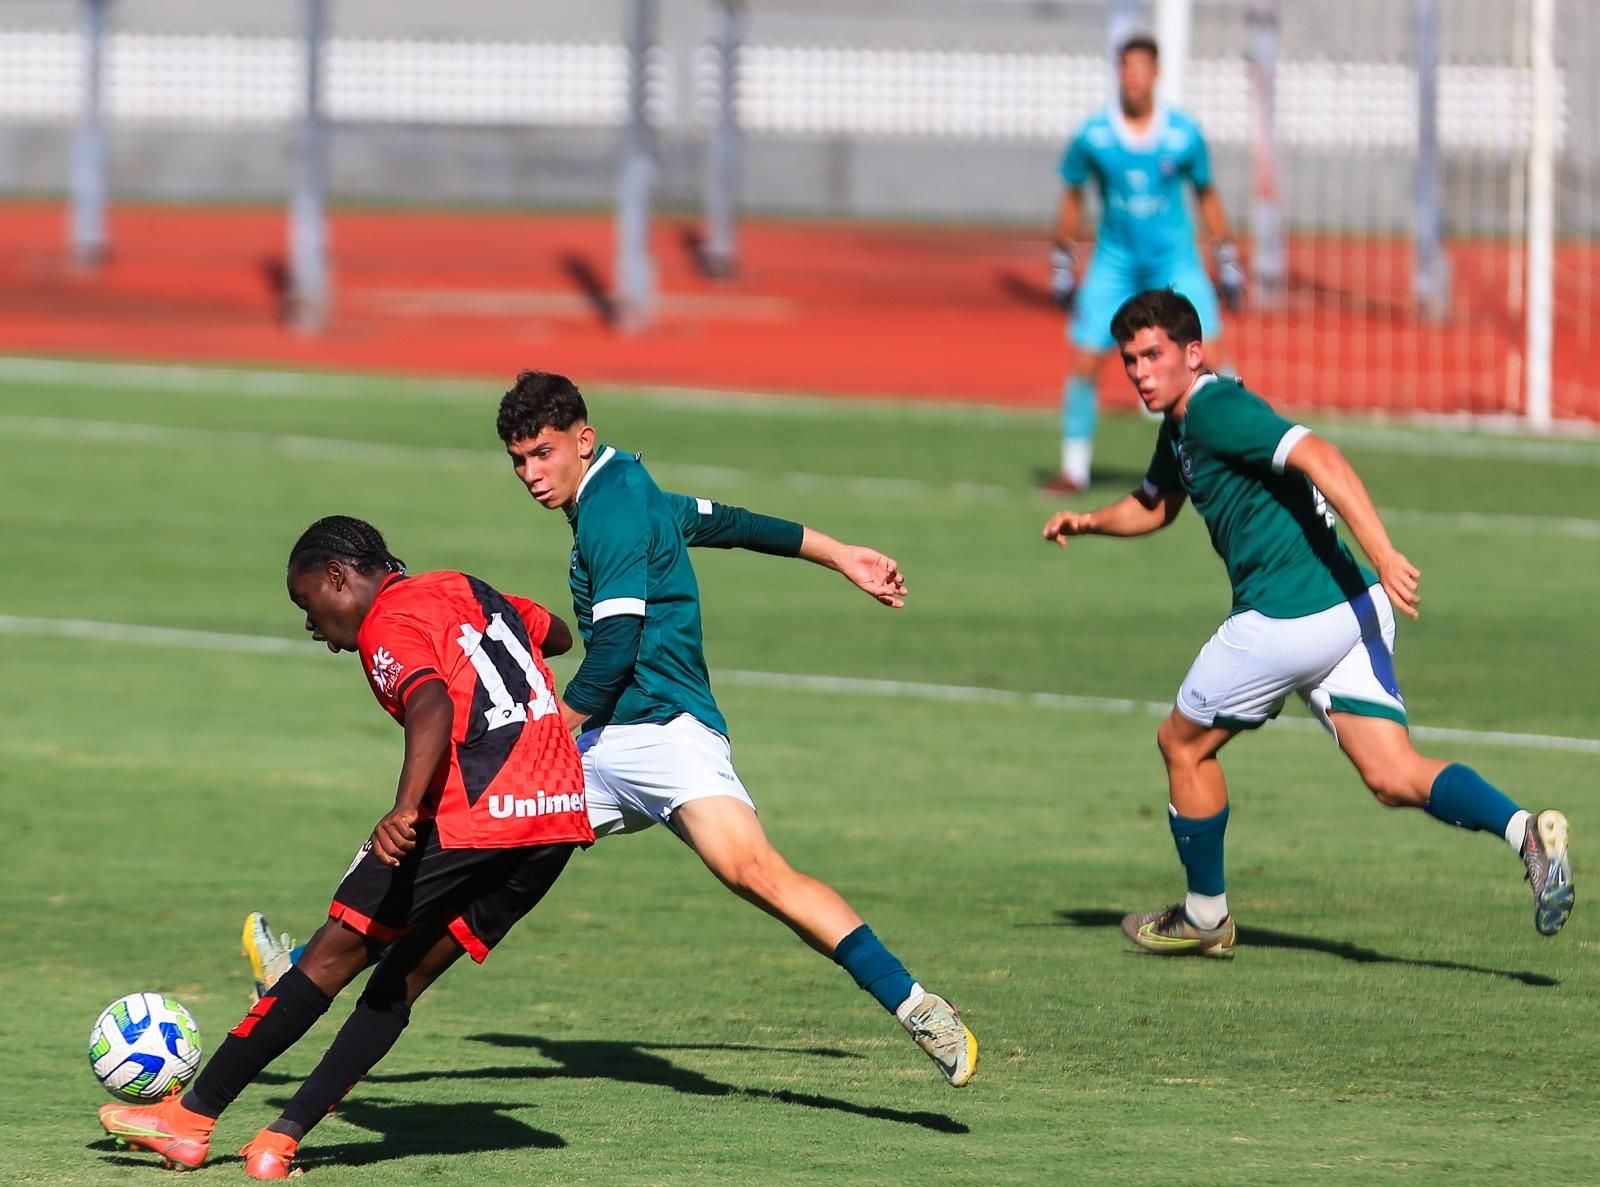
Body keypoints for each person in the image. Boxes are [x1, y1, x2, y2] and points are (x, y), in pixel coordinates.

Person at [1040, 289, 1574, 956]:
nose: (1141, 371)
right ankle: (1527, 833)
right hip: (1350, 611)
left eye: (1154, 355)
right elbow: (1154, 505)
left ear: (1192, 353)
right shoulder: (1180, 426)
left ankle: (1205, 915)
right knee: (1392, 775)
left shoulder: (1216, 408)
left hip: (1286, 618)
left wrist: (1384, 551)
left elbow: (1320, 455)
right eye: (1131, 360)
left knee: (1182, 745)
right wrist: (1087, 520)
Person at [497, 369, 978, 1086]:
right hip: (608, 742)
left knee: (753, 872)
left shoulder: (612, 510)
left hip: (664, 733)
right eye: (519, 461)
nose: (532, 474)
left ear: (582, 438)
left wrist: (542, 735)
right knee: (476, 843)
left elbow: (614, 658)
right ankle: (323, 960)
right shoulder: (628, 487)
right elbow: (731, 522)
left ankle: (918, 1006)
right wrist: (841, 553)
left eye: (543, 453)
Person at [100, 516, 593, 1178]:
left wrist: (406, 807)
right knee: (402, 979)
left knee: (330, 956)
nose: (311, 624)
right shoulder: (460, 587)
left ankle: (189, 1119)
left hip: (475, 809)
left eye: (309, 603)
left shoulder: (388, 621)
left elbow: (432, 703)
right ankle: (279, 1140)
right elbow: (555, 632)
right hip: (558, 812)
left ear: (338, 576)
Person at [1045, 33, 1244, 494]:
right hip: (1115, 262)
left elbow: (1206, 194)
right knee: (1086, 360)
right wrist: (1062, 261)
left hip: (1175, 260)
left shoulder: (1183, 135)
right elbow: (1072, 194)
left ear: (1155, 74)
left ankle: (1246, 452)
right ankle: (1074, 469)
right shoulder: (1094, 136)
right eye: (1125, 68)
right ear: (1118, 73)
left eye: (1141, 68)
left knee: (1211, 357)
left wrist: (1226, 256)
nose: (1133, 77)